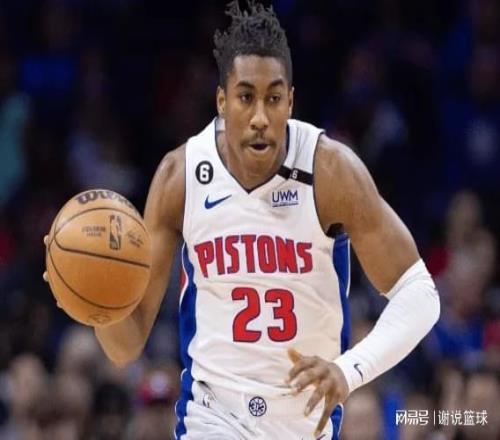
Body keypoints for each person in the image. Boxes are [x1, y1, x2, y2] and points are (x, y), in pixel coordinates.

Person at [45, 1, 440, 438]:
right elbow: (126, 346)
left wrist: (349, 371)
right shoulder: (181, 177)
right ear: (222, 101)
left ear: (290, 102)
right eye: (246, 97)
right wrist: (95, 295)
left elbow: (420, 293)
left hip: (303, 426)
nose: (260, 118)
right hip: (212, 419)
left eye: (273, 98)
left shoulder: (329, 171)